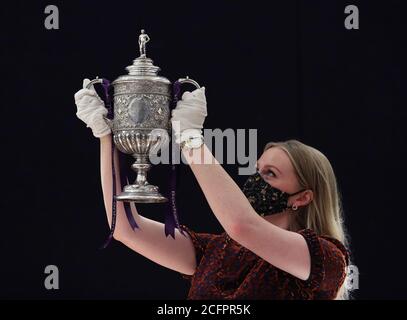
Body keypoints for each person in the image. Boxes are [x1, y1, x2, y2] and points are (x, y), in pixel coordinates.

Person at [74, 79, 351, 300]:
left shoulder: (327, 259)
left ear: (302, 197)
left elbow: (242, 225)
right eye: (256, 170)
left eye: (270, 174)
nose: (256, 180)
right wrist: (106, 135)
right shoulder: (216, 252)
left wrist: (190, 138)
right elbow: (124, 227)